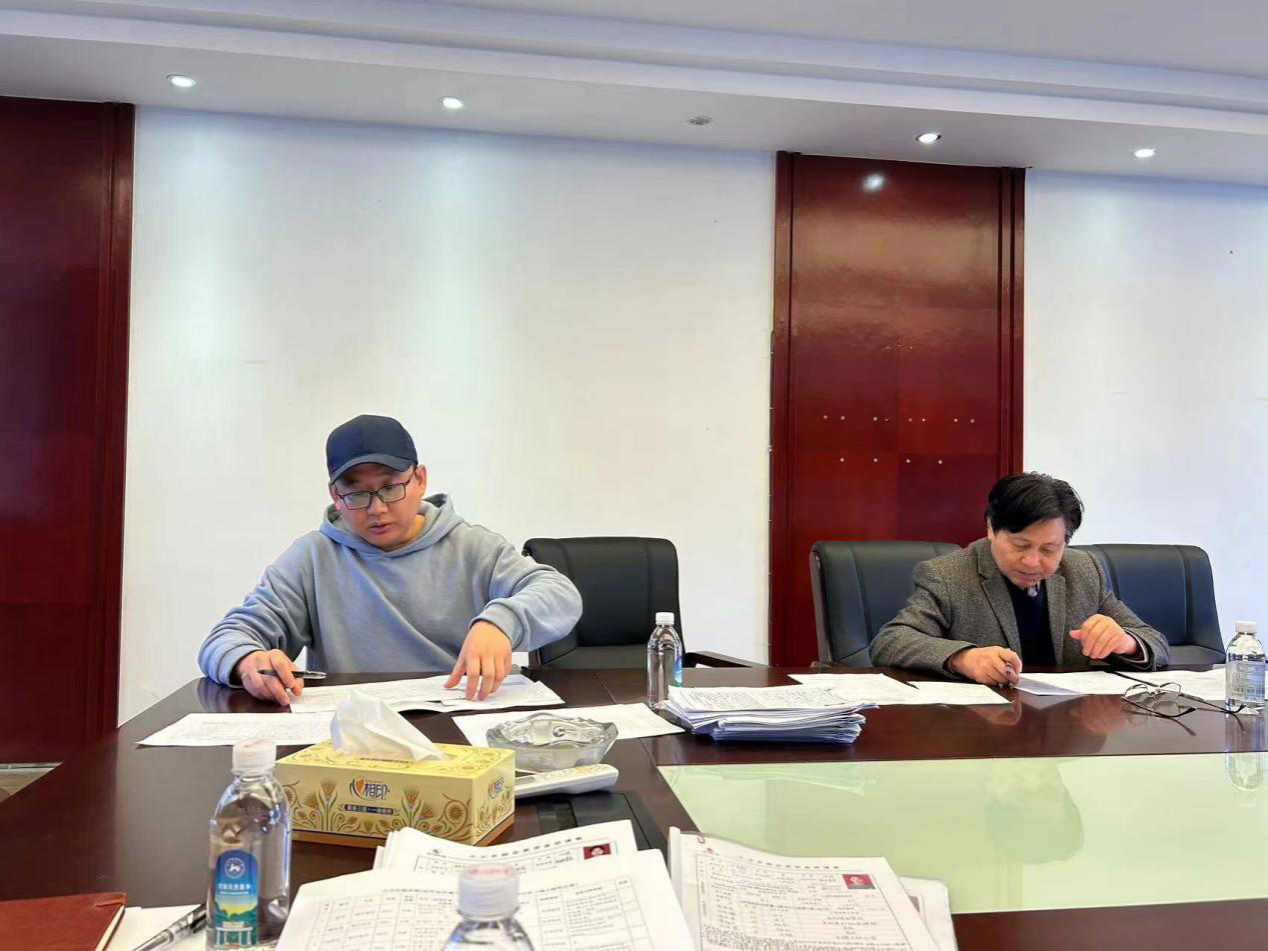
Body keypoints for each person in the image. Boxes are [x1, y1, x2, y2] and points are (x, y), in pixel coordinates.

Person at [198, 414, 582, 705]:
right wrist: (248, 660)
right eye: (357, 494)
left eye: (391, 488)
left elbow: (559, 594)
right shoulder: (312, 558)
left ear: (420, 480)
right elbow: (225, 638)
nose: (377, 509)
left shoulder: (471, 546)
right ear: (335, 496)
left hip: (461, 720)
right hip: (355, 731)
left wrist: (500, 623)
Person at [870, 472, 1169, 685]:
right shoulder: (947, 576)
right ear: (991, 528)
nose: (1032, 561)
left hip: (1069, 730)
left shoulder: (1083, 570)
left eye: (1049, 549)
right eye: (1020, 545)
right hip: (984, 731)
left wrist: (1126, 642)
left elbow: (1155, 642)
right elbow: (891, 641)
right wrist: (963, 658)